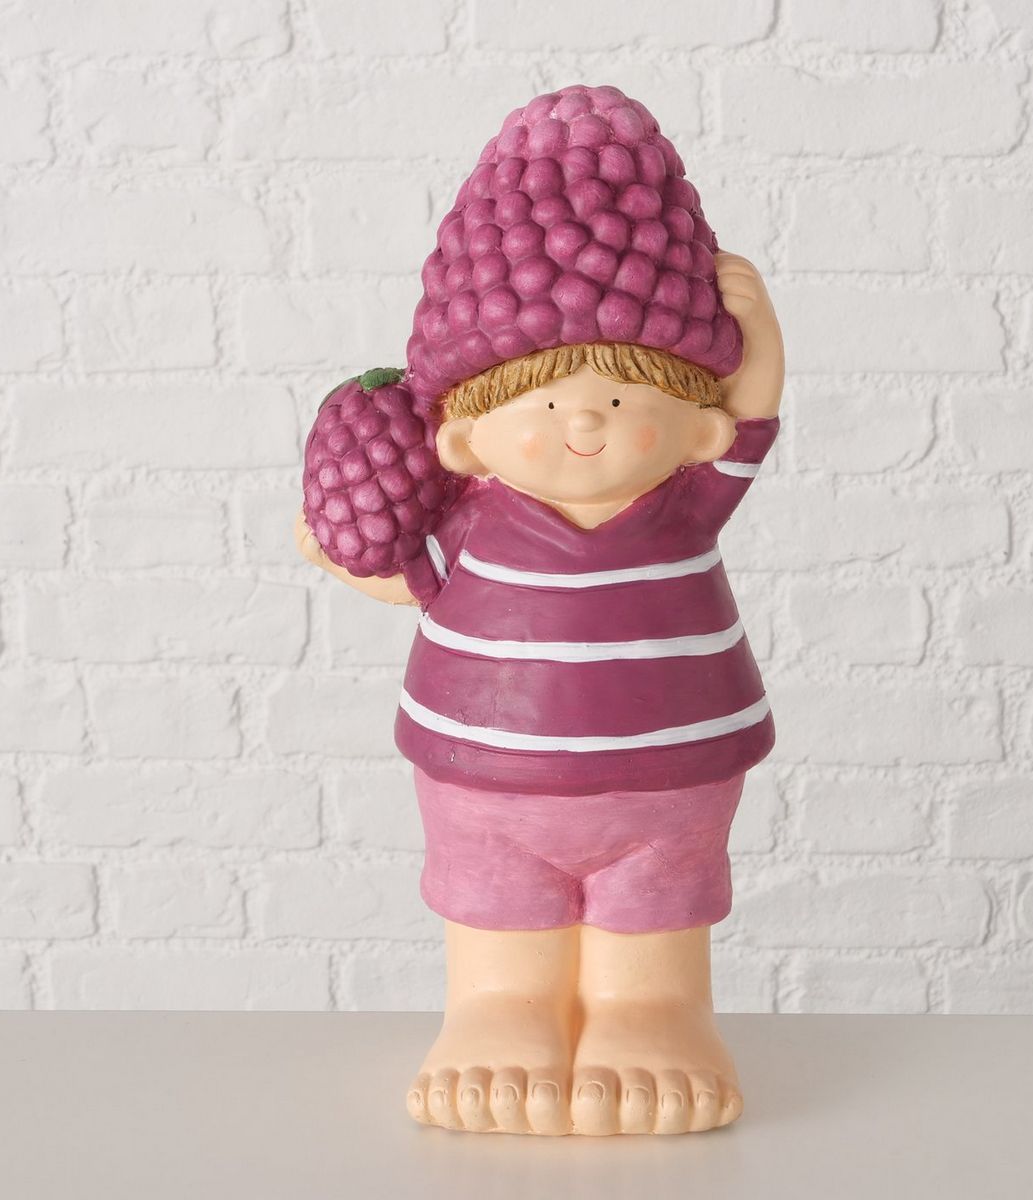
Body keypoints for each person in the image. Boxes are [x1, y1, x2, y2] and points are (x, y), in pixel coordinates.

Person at [296, 84, 784, 1136]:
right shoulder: (470, 524)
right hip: (483, 777)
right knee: (495, 904)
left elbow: (755, 423)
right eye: (546, 397)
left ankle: (655, 1014)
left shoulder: (688, 506)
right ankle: (497, 1011)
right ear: (462, 436)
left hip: (672, 782)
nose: (584, 423)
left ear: (696, 426)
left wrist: (763, 333)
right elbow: (395, 568)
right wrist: (338, 535)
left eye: (621, 394)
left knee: (656, 910)